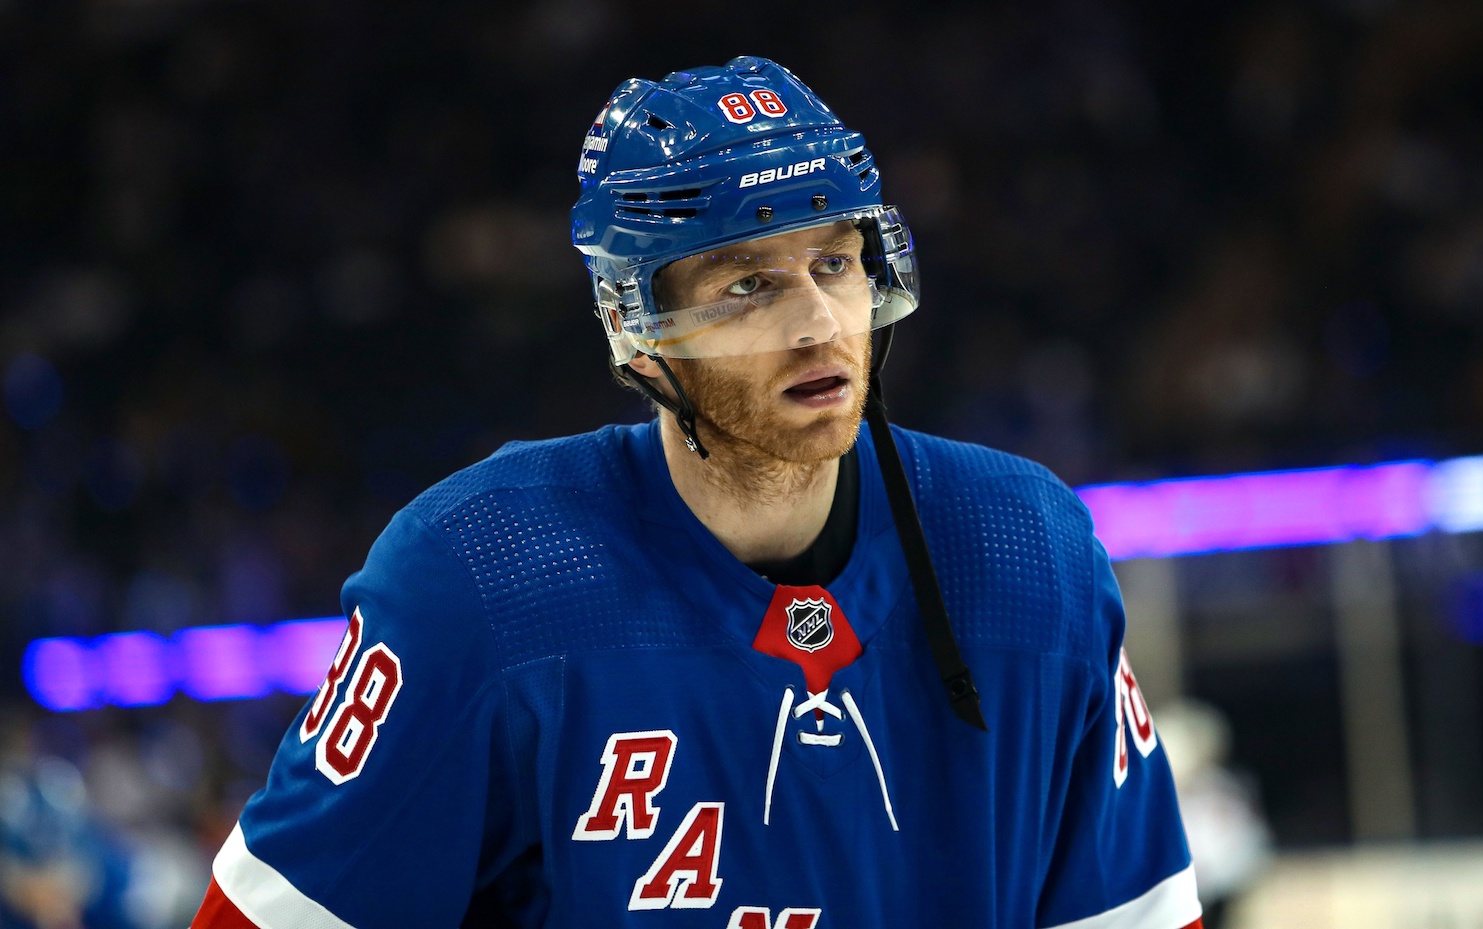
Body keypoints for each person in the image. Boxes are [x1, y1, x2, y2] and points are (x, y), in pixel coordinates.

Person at [190, 56, 1203, 929]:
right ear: (634, 329)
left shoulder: (1031, 552)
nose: (816, 322)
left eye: (834, 262)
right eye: (746, 283)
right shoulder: (477, 575)